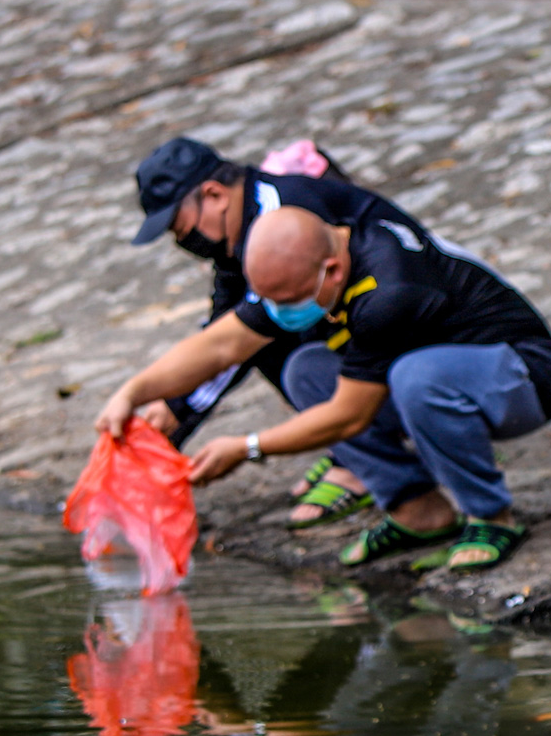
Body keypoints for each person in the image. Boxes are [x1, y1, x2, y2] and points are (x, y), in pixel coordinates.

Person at [98, 181, 551, 575]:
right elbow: (224, 343)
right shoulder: (309, 263)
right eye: (271, 302)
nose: (282, 313)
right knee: (306, 371)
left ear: (333, 270)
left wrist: (247, 447)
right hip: (432, 375)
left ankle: (492, 515)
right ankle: (417, 510)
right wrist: (132, 392)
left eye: (289, 300)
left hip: (522, 377)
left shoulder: (388, 290)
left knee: (414, 377)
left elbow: (348, 416)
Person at [112, 135, 373, 528]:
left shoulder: (277, 220)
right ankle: (347, 442)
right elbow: (221, 329)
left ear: (214, 195)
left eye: (178, 227)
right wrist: (170, 403)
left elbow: (234, 343)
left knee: (274, 333)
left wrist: (179, 408)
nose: (182, 241)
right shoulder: (239, 232)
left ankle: (362, 459)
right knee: (258, 330)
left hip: (401, 335)